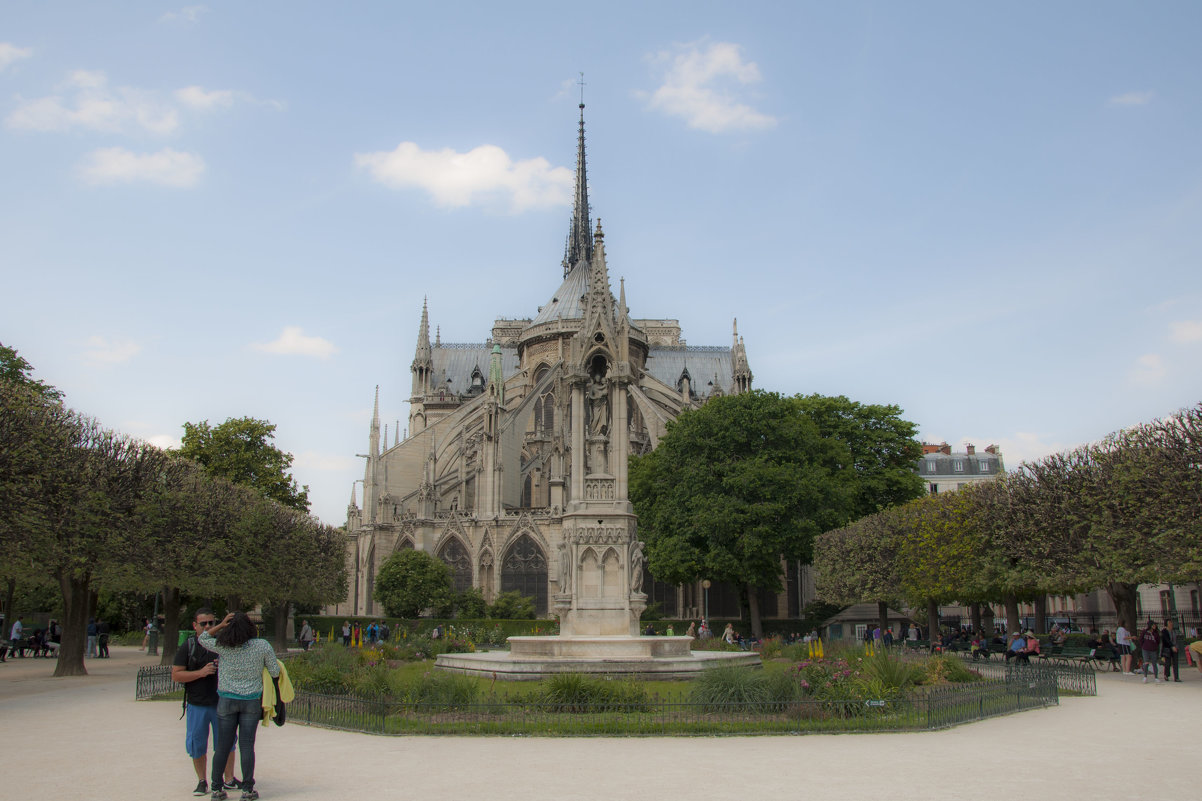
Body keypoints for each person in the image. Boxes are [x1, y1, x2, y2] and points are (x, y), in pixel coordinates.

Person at [198, 611, 280, 801]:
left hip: (227, 699)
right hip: (251, 700)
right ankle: (247, 789)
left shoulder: (223, 646)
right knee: (247, 745)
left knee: (223, 746)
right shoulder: (261, 646)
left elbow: (203, 637)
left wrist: (220, 625)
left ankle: (217, 789)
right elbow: (275, 671)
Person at [172, 609, 240, 797]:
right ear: (195, 626)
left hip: (222, 702)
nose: (208, 626)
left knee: (227, 743)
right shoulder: (189, 646)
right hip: (198, 704)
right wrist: (200, 673)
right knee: (197, 743)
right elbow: (176, 674)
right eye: (204, 624)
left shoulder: (223, 644)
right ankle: (202, 781)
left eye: (212, 622)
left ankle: (229, 779)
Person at [1161, 618, 1180, 683]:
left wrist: (1176, 647)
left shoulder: (1174, 631)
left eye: (1171, 622)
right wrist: (1172, 646)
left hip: (1175, 648)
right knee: (1168, 663)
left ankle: (1176, 677)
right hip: (1168, 649)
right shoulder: (1164, 631)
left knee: (1175, 663)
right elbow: (1166, 640)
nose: (1171, 624)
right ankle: (1166, 675)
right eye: (1169, 623)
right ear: (1166, 624)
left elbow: (1176, 640)